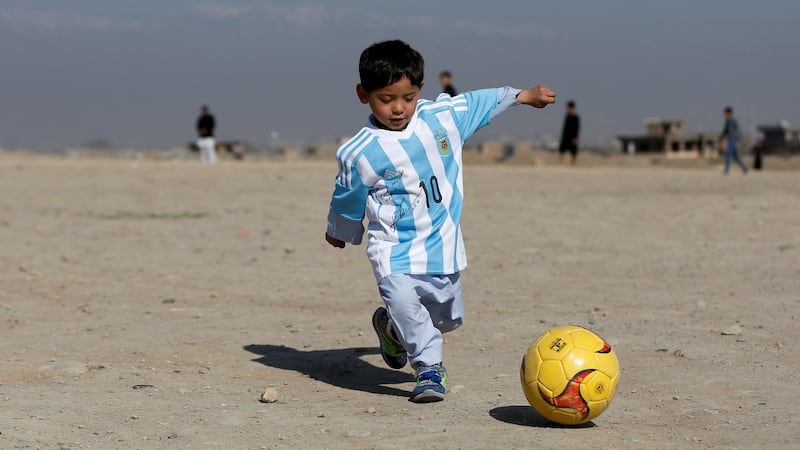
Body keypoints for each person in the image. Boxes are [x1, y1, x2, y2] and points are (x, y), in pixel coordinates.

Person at [324, 40, 555, 403]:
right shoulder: (360, 152)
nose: (398, 108)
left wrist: (522, 95)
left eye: (408, 97)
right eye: (386, 99)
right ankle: (429, 369)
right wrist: (340, 231)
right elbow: (347, 195)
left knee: (445, 321)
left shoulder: (440, 119)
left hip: (441, 244)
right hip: (393, 250)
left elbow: (479, 102)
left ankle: (390, 329)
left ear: (420, 91)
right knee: (403, 301)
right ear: (363, 95)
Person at [719, 106, 748, 174]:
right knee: (736, 157)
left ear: (729, 113)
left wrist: (741, 138)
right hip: (730, 139)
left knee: (728, 154)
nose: (724, 115)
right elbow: (725, 131)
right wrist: (720, 138)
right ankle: (745, 167)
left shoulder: (733, 121)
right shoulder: (727, 121)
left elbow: (738, 131)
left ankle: (726, 170)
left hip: (733, 140)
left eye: (725, 113)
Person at [558, 100, 580, 165]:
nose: (567, 109)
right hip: (565, 137)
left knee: (574, 152)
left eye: (568, 108)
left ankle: (574, 165)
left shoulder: (576, 118)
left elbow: (577, 128)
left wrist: (575, 138)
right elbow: (564, 128)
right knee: (562, 151)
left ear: (572, 108)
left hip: (572, 138)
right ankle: (560, 164)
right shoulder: (566, 116)